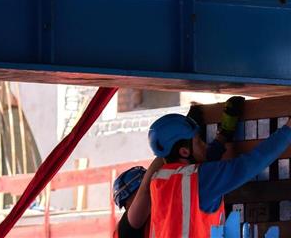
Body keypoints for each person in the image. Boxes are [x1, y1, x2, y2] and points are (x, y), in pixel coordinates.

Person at [113, 97, 244, 238]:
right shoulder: (126, 231)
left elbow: (208, 168)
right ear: (127, 203)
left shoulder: (167, 205)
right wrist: (179, 138)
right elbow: (146, 187)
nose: (156, 191)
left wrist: (223, 135)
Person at [148, 109, 291, 238]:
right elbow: (251, 163)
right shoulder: (198, 179)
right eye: (199, 141)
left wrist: (223, 135)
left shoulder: (158, 180)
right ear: (184, 151)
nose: (205, 145)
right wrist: (288, 130)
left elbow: (205, 167)